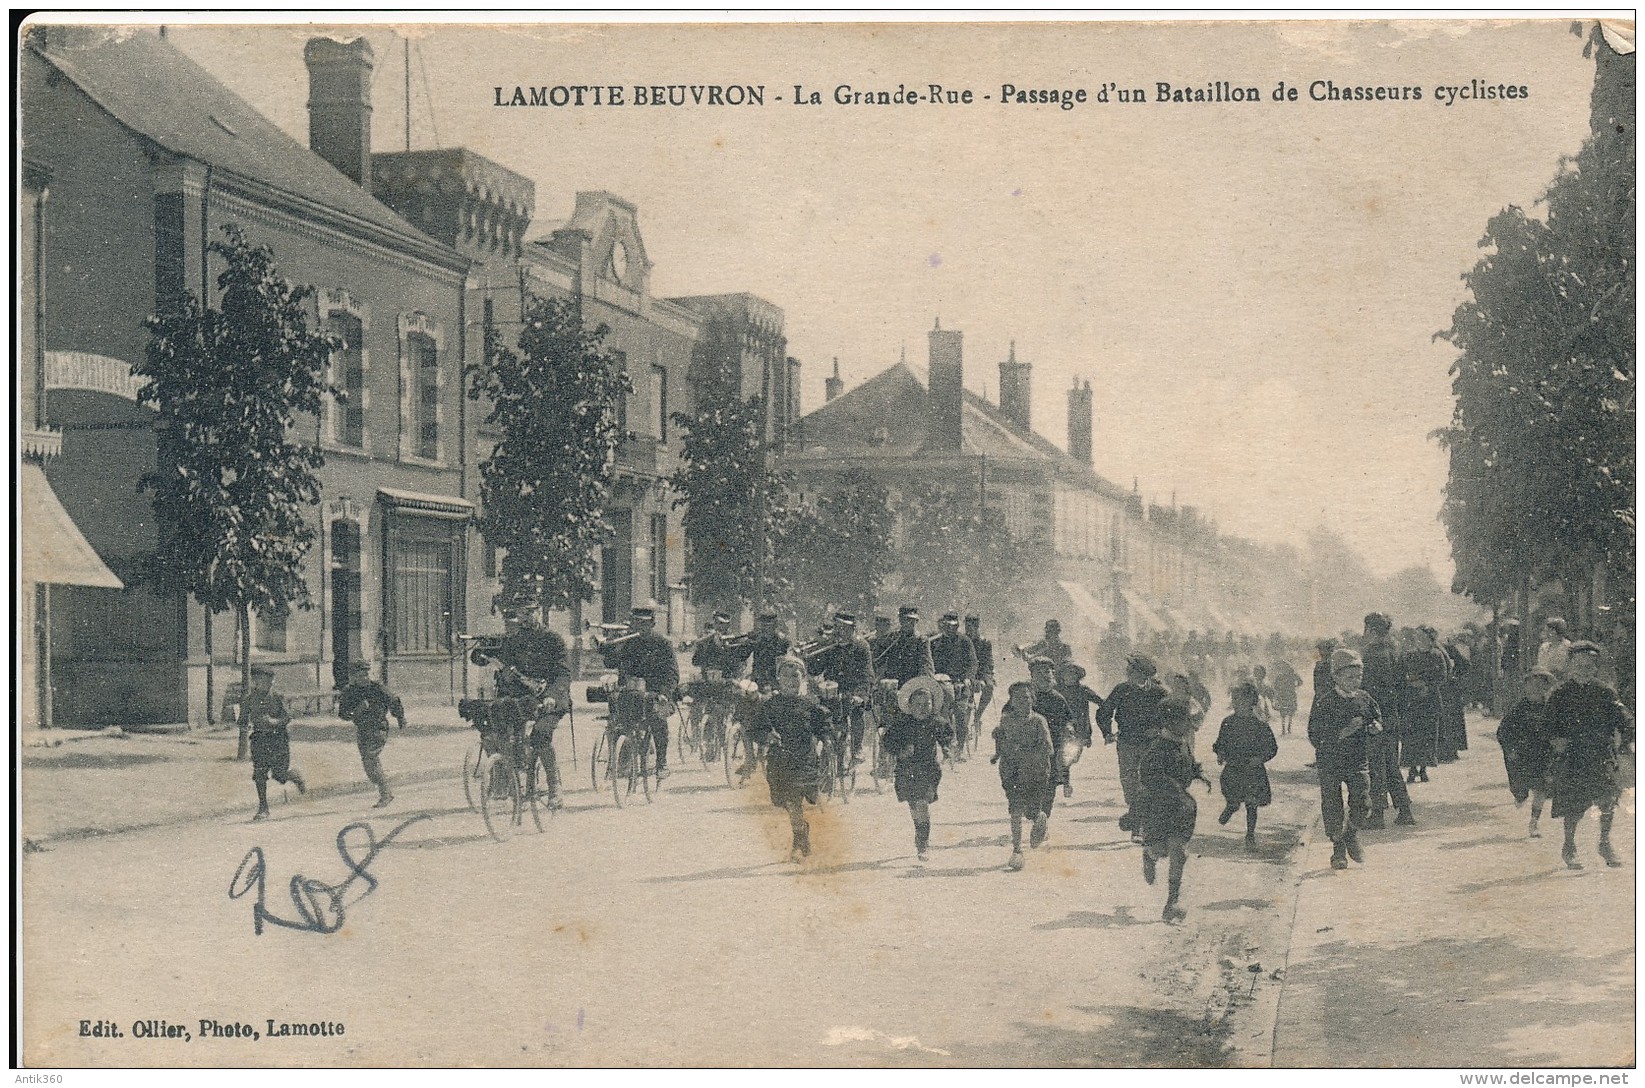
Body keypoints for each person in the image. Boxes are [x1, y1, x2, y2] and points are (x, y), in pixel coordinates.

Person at [1545, 642, 1634, 869]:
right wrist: (1555, 740)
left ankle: (1605, 843)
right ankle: (1569, 846)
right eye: (1579, 663)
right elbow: (1548, 725)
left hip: (1601, 754)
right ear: (1570, 665)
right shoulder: (1560, 693)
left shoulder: (1605, 692)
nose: (1584, 667)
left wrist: (1626, 739)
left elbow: (1625, 720)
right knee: (1574, 805)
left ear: (1595, 666)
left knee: (1607, 800)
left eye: (1589, 663)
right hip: (1573, 756)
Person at [745, 656, 834, 862]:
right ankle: (800, 836)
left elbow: (824, 727)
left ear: (803, 678)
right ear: (778, 679)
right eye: (786, 676)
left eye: (795, 676)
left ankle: (800, 838)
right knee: (789, 802)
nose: (791, 680)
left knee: (798, 802)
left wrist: (826, 739)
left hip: (805, 760)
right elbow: (754, 729)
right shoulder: (770, 705)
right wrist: (766, 736)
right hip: (780, 762)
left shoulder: (810, 704)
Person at [1308, 648, 1378, 870]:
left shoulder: (1365, 698)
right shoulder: (1325, 701)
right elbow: (1315, 734)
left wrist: (1376, 727)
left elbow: (1375, 718)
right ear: (1336, 677)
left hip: (1358, 758)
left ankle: (1351, 834)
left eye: (1359, 676)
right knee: (1332, 806)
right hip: (1331, 761)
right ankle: (1338, 851)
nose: (1355, 681)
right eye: (1349, 677)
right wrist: (1344, 731)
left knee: (1363, 801)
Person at [493, 610, 572, 804]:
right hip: (524, 697)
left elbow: (563, 674)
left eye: (529, 613)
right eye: (521, 614)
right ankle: (505, 778)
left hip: (551, 698)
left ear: (538, 612)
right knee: (498, 728)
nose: (524, 618)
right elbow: (504, 668)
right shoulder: (512, 641)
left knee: (540, 734)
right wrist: (506, 676)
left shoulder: (553, 640)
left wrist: (552, 696)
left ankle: (554, 785)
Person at [1139, 700, 1205, 923]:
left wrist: (1197, 772)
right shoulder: (1158, 747)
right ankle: (1149, 855)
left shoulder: (1183, 742)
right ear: (1171, 722)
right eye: (1185, 720)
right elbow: (1147, 774)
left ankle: (1172, 901)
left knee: (1179, 852)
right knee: (1160, 850)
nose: (1190, 725)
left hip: (1181, 809)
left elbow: (1188, 764)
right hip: (1160, 807)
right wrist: (1170, 787)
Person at [599, 605, 680, 779]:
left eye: (644, 624)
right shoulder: (627, 641)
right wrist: (611, 644)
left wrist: (665, 693)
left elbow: (672, 673)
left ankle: (661, 763)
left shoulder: (662, 643)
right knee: (617, 722)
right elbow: (610, 663)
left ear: (652, 624)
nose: (639, 628)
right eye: (636, 624)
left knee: (658, 719)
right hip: (630, 692)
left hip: (655, 692)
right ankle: (620, 758)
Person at [1097, 652, 1169, 842]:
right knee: (1129, 785)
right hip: (1127, 743)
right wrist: (1107, 732)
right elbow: (1103, 712)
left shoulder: (1160, 693)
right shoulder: (1121, 690)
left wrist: (1159, 730)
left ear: (1144, 674)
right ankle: (1137, 820)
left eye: (1133, 670)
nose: (1128, 673)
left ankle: (1139, 828)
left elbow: (1172, 715)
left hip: (1151, 746)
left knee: (1146, 784)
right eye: (1128, 670)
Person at [881, 675, 953, 862]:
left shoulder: (936, 722)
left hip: (928, 770)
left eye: (926, 704)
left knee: (921, 804)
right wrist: (900, 751)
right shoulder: (901, 724)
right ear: (910, 706)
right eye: (918, 705)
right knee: (914, 805)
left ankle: (923, 842)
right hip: (906, 771)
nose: (922, 709)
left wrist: (946, 748)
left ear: (932, 705)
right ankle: (920, 831)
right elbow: (888, 741)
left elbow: (945, 735)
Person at [1359, 613, 1415, 829]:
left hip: (1377, 717)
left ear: (1372, 631)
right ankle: (1404, 810)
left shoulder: (1374, 655)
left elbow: (1372, 691)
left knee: (1376, 766)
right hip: (1392, 716)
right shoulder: (1394, 651)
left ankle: (1378, 814)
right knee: (1391, 765)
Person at [991, 681, 1054, 871]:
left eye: (1026, 698)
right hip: (1012, 772)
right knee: (1015, 810)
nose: (1022, 702)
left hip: (1036, 773)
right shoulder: (1006, 720)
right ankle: (1017, 850)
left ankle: (1040, 818)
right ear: (1011, 701)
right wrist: (997, 752)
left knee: (1032, 811)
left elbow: (1049, 748)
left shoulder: (1038, 721)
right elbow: (1001, 740)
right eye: (1017, 698)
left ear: (1033, 700)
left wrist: (1026, 751)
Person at [1213, 681, 1278, 850]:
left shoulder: (1260, 725)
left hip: (1252, 769)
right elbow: (1220, 742)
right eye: (1234, 700)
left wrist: (1260, 758)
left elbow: (1272, 748)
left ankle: (1250, 835)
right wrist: (1220, 753)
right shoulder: (1228, 722)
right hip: (1233, 767)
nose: (1236, 704)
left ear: (1251, 702)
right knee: (1233, 797)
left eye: (1240, 700)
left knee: (1251, 803)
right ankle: (1231, 806)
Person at [808, 611, 876, 766]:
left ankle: (857, 749)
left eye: (845, 628)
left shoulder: (861, 646)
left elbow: (867, 674)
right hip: (832, 692)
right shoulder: (830, 645)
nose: (840, 632)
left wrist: (861, 695)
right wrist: (811, 658)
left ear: (853, 629)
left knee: (856, 713)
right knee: (823, 718)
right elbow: (816, 670)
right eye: (838, 627)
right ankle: (825, 756)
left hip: (854, 692)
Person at [338, 661, 407, 808]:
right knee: (368, 763)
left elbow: (393, 700)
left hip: (378, 728)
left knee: (370, 758)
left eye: (366, 674)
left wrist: (400, 717)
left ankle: (386, 794)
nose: (364, 678)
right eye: (360, 675)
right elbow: (343, 714)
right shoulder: (349, 692)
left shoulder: (377, 688)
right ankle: (386, 791)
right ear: (353, 677)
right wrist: (358, 710)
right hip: (363, 729)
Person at [1498, 669, 1557, 838]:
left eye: (1541, 686)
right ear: (1525, 687)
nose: (1537, 690)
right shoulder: (1518, 709)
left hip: (1542, 754)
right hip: (1521, 755)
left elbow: (1557, 727)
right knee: (1520, 787)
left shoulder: (1549, 708)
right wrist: (1510, 749)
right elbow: (1503, 731)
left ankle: (1534, 822)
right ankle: (1520, 794)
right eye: (1532, 685)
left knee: (1541, 789)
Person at [247, 665, 306, 821]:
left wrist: (273, 722)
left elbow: (287, 718)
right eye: (260, 681)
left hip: (277, 740)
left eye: (268, 681)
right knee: (259, 774)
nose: (266, 684)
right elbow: (242, 719)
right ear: (255, 681)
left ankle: (294, 775)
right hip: (259, 740)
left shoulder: (277, 698)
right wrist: (244, 724)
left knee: (279, 776)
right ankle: (263, 808)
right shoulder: (250, 699)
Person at [690, 611, 748, 761]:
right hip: (711, 683)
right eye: (718, 624)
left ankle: (736, 741)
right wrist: (701, 648)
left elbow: (740, 662)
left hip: (729, 682)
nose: (720, 627)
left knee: (735, 710)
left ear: (728, 625)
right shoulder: (707, 640)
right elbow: (695, 661)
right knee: (708, 710)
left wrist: (733, 676)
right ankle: (710, 746)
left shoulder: (734, 641)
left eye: (723, 624)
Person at [1027, 657, 1074, 838]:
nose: (1044, 676)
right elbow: (1008, 714)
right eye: (1039, 672)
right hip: (1028, 748)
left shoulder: (1058, 699)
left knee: (1049, 787)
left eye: (1047, 672)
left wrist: (1069, 729)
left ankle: (1043, 820)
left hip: (1052, 749)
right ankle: (1036, 816)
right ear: (1032, 676)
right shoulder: (1026, 696)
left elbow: (1068, 720)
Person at [929, 612, 979, 761]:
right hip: (941, 683)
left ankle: (961, 748)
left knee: (960, 714)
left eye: (953, 626)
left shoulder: (965, 641)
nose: (949, 629)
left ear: (957, 626)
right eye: (946, 626)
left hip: (960, 684)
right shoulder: (935, 642)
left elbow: (972, 662)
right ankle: (946, 746)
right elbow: (930, 662)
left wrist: (968, 679)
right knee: (939, 714)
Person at [1401, 626, 1447, 784]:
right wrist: (1412, 683)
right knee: (1412, 735)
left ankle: (1424, 768)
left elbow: (1442, 676)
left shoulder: (1437, 655)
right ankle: (1412, 769)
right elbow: (1403, 674)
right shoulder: (1410, 655)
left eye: (1422, 636)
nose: (1419, 639)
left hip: (1430, 699)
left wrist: (1427, 685)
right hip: (1413, 700)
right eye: (1417, 636)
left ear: (1430, 638)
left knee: (1428, 735)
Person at [1054, 661, 1105, 798]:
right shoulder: (1056, 690)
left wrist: (1106, 707)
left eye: (1073, 674)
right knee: (1063, 755)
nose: (1070, 676)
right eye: (1067, 673)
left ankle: (1062, 778)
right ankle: (1065, 783)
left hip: (1080, 729)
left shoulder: (1083, 690)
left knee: (1072, 757)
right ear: (1062, 676)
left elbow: (1100, 701)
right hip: (1062, 728)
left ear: (1077, 676)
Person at [876, 605, 935, 687]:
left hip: (912, 684)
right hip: (892, 683)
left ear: (916, 621)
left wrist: (923, 683)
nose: (909, 623)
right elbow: (879, 661)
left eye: (912, 620)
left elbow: (925, 665)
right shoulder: (892, 638)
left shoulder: (921, 640)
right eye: (905, 620)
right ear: (900, 620)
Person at [966, 615, 997, 739]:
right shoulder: (963, 640)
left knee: (989, 687)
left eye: (971, 627)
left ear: (977, 627)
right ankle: (964, 725)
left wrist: (985, 677)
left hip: (982, 672)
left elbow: (988, 661)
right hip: (968, 673)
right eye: (967, 627)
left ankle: (978, 716)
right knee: (967, 693)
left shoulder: (984, 642)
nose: (968, 630)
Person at [747, 611, 793, 691]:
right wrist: (746, 644)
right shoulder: (757, 639)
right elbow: (742, 656)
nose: (764, 628)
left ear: (775, 626)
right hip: (758, 680)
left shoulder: (783, 642)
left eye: (767, 626)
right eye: (763, 625)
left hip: (775, 681)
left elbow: (785, 663)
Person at [1270, 658, 1302, 735]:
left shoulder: (1281, 676)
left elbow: (1275, 686)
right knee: (1289, 711)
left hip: (1284, 695)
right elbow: (1300, 682)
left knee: (1284, 713)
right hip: (1289, 694)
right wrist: (1295, 686)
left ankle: (1285, 729)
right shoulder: (1292, 675)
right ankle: (1287, 728)